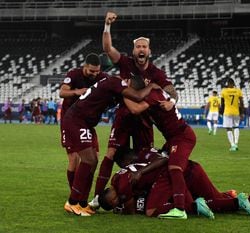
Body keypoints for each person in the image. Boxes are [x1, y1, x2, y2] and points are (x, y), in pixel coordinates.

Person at [90, 11, 179, 207]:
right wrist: (107, 25)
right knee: (111, 153)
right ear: (133, 50)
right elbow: (107, 48)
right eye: (138, 46)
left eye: (144, 47)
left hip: (144, 119)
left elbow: (172, 90)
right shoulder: (125, 63)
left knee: (145, 159)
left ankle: (140, 197)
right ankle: (98, 197)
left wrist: (173, 100)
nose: (141, 49)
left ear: (149, 51)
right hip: (124, 114)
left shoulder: (156, 72)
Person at [62, 70, 160, 217]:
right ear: (128, 84)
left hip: (84, 122)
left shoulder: (117, 88)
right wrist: (151, 86)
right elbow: (138, 96)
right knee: (88, 160)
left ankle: (82, 202)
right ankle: (72, 201)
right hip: (76, 120)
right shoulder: (116, 82)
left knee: (93, 161)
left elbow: (133, 105)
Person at [99, 147, 250, 218]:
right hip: (187, 169)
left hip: (179, 175)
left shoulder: (123, 179)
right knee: (215, 202)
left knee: (155, 211)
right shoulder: (142, 159)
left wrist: (121, 209)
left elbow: (131, 208)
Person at [124, 85, 196, 219]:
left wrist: (122, 94)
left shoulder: (152, 95)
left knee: (174, 168)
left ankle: (180, 209)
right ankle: (193, 202)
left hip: (181, 136)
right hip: (172, 139)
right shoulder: (150, 97)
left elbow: (135, 109)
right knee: (168, 164)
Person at [59, 53, 105, 191]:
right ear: (85, 67)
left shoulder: (101, 77)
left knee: (94, 158)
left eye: (97, 71)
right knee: (74, 158)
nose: (94, 74)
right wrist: (77, 92)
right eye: (91, 71)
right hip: (70, 121)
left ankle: (82, 189)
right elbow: (62, 92)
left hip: (87, 122)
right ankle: (74, 192)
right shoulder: (74, 74)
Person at [220, 78, 245, 151]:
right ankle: (236, 143)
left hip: (227, 112)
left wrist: (221, 112)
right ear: (233, 84)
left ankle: (233, 145)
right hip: (236, 112)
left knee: (228, 128)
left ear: (228, 83)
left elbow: (222, 103)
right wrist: (242, 112)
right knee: (236, 127)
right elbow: (241, 103)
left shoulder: (224, 91)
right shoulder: (238, 91)